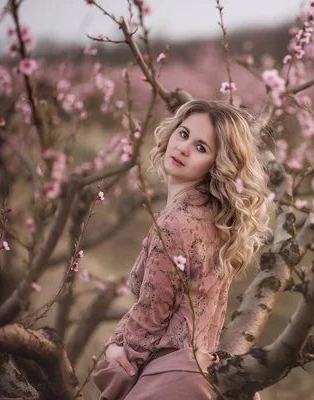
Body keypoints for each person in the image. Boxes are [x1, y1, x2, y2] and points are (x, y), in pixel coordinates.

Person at [92, 100, 271, 400]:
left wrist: (116, 348)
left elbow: (153, 313)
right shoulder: (217, 219)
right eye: (184, 134)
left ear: (216, 165)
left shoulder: (175, 224)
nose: (184, 148)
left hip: (168, 381)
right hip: (202, 374)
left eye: (202, 148)